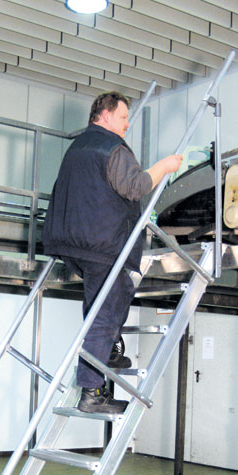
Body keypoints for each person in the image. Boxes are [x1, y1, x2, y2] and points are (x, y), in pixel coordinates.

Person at [42, 91, 182, 414]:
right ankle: (92, 392)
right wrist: (165, 166)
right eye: (123, 117)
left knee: (102, 303)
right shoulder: (112, 148)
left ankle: (107, 351)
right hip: (102, 244)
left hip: (73, 243)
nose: (127, 124)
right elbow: (136, 186)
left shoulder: (77, 148)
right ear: (104, 115)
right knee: (107, 312)